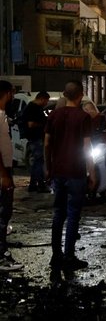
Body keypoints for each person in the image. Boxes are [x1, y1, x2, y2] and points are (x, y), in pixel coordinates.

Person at [44, 80, 96, 271]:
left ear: (64, 95)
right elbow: (86, 147)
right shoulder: (83, 117)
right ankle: (69, 256)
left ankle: (56, 256)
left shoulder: (54, 115)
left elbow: (47, 143)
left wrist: (48, 167)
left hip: (58, 171)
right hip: (76, 172)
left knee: (58, 213)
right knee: (73, 214)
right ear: (81, 95)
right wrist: (93, 173)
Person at [0, 80, 23, 271]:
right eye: (12, 93)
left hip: (5, 170)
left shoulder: (3, 116)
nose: (13, 97)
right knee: (2, 214)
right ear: (7, 93)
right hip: (2, 172)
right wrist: (4, 174)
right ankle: (2, 256)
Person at [23, 91, 50, 192]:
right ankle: (40, 185)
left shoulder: (34, 107)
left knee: (37, 162)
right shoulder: (33, 108)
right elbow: (31, 124)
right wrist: (43, 125)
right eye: (46, 101)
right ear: (42, 99)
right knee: (38, 161)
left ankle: (33, 185)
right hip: (35, 138)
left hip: (35, 138)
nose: (46, 103)